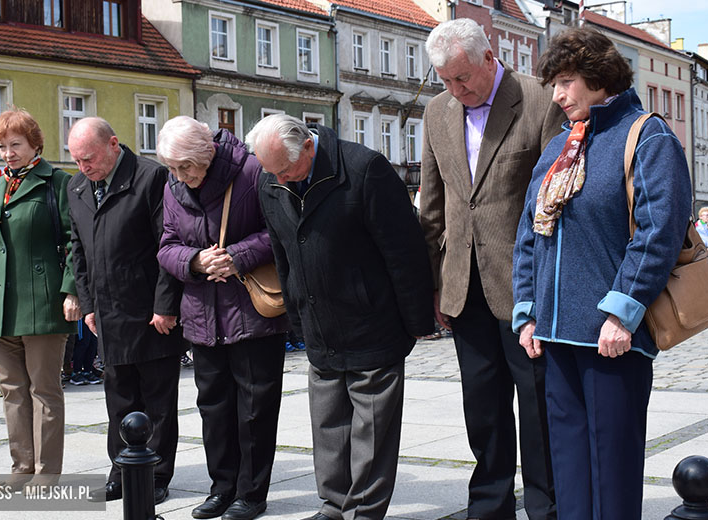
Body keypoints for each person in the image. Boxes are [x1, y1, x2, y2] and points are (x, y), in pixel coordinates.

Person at [512, 28, 692, 518]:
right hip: (555, 334)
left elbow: (658, 233)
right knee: (568, 466)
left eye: (566, 82)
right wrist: (526, 311)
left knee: (612, 467)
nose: (557, 95)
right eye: (553, 84)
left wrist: (622, 312)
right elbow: (530, 233)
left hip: (611, 337)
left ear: (597, 77)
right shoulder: (557, 149)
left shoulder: (647, 135)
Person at [245, 114, 434, 520]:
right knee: (328, 426)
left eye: (285, 169)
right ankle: (334, 505)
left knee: (372, 430)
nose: (279, 179)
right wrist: (295, 312)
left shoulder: (364, 169)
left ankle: (363, 512)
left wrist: (417, 321)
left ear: (309, 147)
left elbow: (404, 250)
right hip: (318, 323)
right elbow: (282, 254)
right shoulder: (270, 180)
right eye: (271, 170)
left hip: (372, 320)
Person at [419, 18, 564, 520]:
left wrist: (549, 285)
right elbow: (432, 208)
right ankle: (490, 504)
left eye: (464, 79)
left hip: (527, 284)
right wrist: (434, 285)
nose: (456, 91)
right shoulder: (438, 112)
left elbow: (559, 200)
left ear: (489, 57)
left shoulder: (540, 100)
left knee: (538, 403)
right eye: (446, 82)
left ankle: (546, 505)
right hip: (464, 284)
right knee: (482, 405)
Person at [156, 116, 288, 520]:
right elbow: (165, 245)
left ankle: (251, 492)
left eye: (186, 167)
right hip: (202, 315)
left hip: (252, 311)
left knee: (255, 408)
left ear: (208, 152)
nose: (181, 176)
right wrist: (194, 260)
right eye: (173, 169)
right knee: (213, 409)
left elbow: (279, 229)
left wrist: (236, 256)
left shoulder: (252, 170)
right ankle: (221, 488)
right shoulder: (174, 187)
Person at [0, 108, 81, 486]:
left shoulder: (57, 183)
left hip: (43, 303)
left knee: (45, 390)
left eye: (15, 145)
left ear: (34, 144)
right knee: (11, 391)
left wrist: (72, 290)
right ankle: (21, 469)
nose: (8, 153)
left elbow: (76, 242)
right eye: (1, 146)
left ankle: (47, 475)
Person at [67, 117, 185, 505]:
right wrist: (87, 305)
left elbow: (168, 245)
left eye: (89, 158)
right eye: (76, 160)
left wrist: (166, 305)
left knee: (158, 403)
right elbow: (78, 251)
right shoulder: (78, 187)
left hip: (151, 313)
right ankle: (120, 470)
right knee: (118, 399)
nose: (83, 167)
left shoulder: (150, 179)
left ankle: (157, 474)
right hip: (108, 314)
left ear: (114, 144)